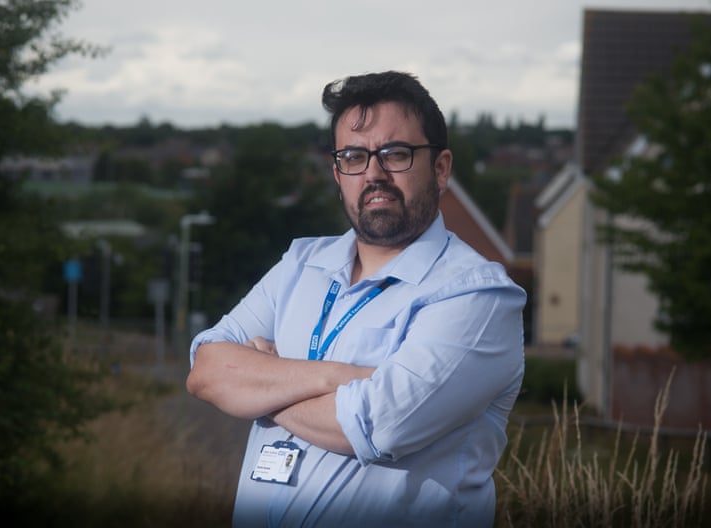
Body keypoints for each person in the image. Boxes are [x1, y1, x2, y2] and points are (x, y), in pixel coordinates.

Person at [186, 70, 526, 527]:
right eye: (354, 156)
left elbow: (376, 426)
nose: (374, 174)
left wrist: (263, 383)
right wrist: (339, 378)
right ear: (338, 172)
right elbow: (206, 371)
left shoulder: (477, 295)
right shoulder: (301, 264)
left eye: (396, 154)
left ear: (441, 168)